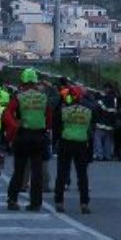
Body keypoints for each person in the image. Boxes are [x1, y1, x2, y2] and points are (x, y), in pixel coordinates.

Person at [6, 67, 52, 211]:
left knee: (19, 170)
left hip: (23, 135)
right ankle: (36, 203)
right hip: (39, 136)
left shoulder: (19, 97)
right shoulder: (43, 97)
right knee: (37, 171)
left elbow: (8, 114)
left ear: (23, 81)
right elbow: (49, 118)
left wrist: (11, 133)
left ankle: (12, 200)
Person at [54, 85, 94, 214]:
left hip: (66, 142)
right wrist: (90, 150)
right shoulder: (88, 112)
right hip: (81, 143)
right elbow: (90, 131)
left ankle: (59, 201)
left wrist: (56, 142)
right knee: (82, 175)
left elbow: (57, 128)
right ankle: (84, 203)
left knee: (62, 173)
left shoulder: (64, 111)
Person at [93, 82, 119, 161]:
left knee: (98, 139)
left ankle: (99, 155)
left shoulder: (106, 98)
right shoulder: (114, 98)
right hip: (110, 124)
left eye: (105, 88)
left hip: (102, 122)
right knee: (108, 140)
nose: (104, 90)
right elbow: (113, 111)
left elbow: (102, 108)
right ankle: (107, 155)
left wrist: (98, 101)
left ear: (108, 88)